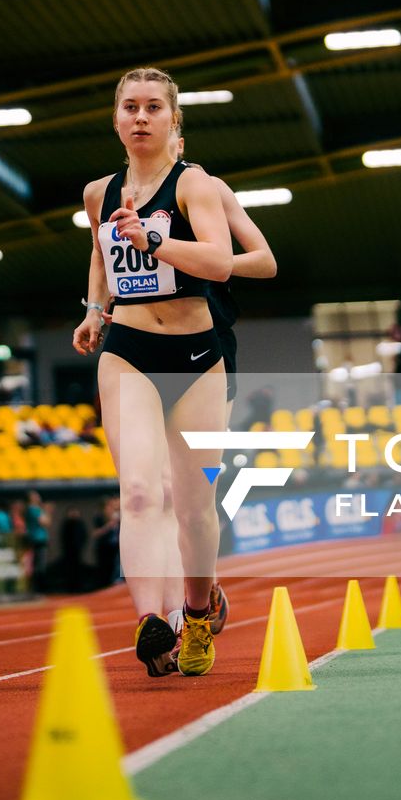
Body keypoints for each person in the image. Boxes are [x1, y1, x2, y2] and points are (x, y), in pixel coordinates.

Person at [72, 68, 233, 677]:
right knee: (139, 491)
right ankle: (151, 622)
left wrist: (154, 242)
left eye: (153, 108)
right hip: (128, 349)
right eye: (130, 108)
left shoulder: (194, 185)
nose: (141, 118)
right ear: (116, 120)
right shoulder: (98, 193)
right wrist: (95, 310)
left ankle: (197, 611)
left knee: (194, 508)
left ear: (174, 121)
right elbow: (98, 252)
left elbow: (219, 263)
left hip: (196, 359)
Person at [163, 126, 277, 635]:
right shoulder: (120, 196)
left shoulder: (210, 189)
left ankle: (200, 591)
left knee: (191, 494)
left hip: (210, 345)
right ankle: (171, 609)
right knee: (155, 490)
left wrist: (205, 260)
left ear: (179, 141)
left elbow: (266, 262)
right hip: (142, 345)